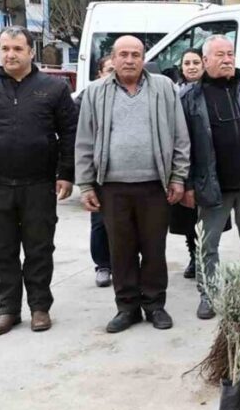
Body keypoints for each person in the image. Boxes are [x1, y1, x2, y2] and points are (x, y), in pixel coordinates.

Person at [0, 26, 77, 336]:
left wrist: (66, 173)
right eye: (5, 48)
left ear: (31, 51)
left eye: (17, 49)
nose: (11, 54)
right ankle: (8, 310)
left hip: (38, 184)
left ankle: (39, 307)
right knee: (0, 251)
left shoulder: (53, 88)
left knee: (39, 248)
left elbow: (69, 134)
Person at [76, 35, 190, 333]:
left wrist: (178, 176)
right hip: (112, 187)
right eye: (123, 54)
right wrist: (86, 184)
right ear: (112, 59)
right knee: (121, 250)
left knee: (154, 248)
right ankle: (127, 307)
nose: (129, 60)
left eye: (135, 54)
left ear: (143, 58)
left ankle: (154, 305)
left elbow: (180, 135)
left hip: (155, 185)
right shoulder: (95, 92)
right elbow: (85, 141)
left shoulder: (164, 88)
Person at [180, 35, 240, 320]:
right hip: (212, 186)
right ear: (205, 60)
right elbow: (181, 146)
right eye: (219, 55)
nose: (227, 59)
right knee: (207, 245)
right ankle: (208, 294)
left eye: (230, 53)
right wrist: (186, 185)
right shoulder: (189, 98)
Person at [171, 48, 205, 280]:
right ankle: (194, 256)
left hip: (207, 164)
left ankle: (206, 257)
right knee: (187, 218)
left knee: (209, 218)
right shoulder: (175, 94)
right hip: (183, 163)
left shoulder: (211, 92)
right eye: (187, 63)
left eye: (196, 62)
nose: (191, 66)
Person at [87, 55, 115, 288]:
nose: (113, 73)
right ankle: (103, 265)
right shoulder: (90, 97)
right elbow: (81, 139)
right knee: (99, 223)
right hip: (100, 173)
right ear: (100, 73)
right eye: (109, 69)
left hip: (127, 176)